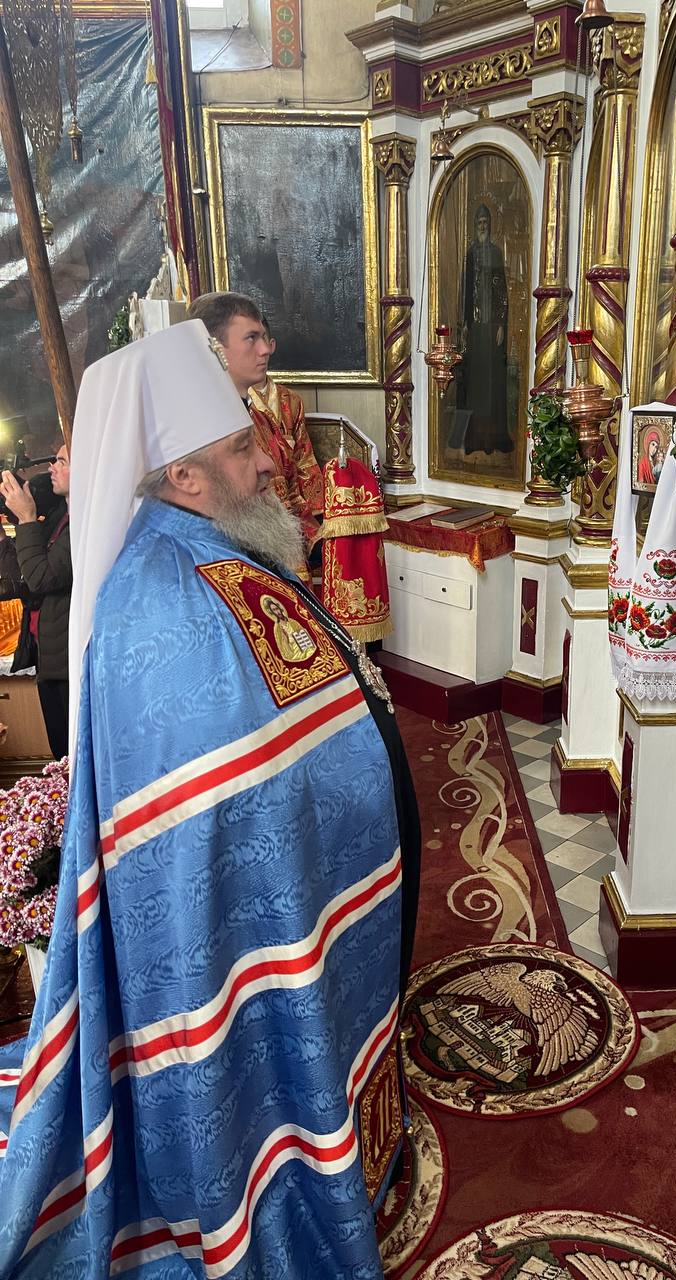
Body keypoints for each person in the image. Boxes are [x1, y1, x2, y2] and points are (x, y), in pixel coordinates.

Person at [0, 322, 420, 1278]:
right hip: (242, 930)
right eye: (240, 448)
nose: (268, 462)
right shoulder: (160, 598)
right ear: (183, 476)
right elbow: (212, 803)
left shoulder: (217, 546)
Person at [187, 291, 324, 586]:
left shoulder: (258, 414)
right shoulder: (200, 426)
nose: (265, 350)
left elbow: (293, 476)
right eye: (251, 338)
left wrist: (316, 535)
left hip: (276, 547)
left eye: (264, 338)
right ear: (214, 348)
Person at [0, 445, 71, 757]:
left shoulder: (82, 523)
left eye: (62, 461)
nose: (52, 467)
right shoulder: (57, 515)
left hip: (68, 660)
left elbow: (42, 578)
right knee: (60, 751)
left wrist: (27, 517)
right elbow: (21, 580)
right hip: (49, 657)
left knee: (70, 752)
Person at [457, 203, 512, 455]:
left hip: (491, 328)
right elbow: (465, 291)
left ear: (490, 225)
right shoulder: (470, 254)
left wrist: (501, 324)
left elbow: (502, 293)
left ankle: (491, 438)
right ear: (474, 226)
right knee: (475, 385)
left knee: (491, 385)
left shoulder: (496, 253)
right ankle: (474, 439)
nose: (482, 226)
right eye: (478, 223)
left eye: (485, 223)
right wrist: (464, 324)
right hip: (475, 327)